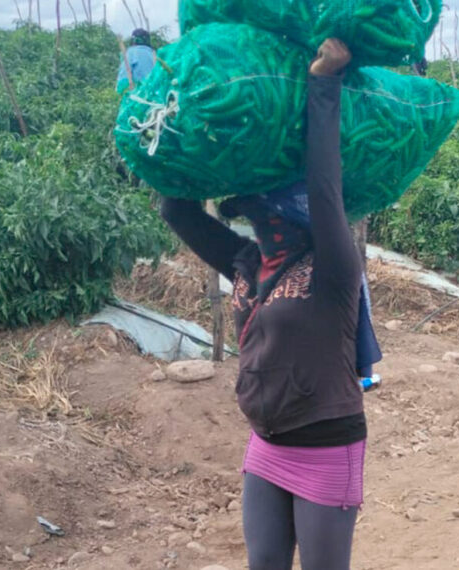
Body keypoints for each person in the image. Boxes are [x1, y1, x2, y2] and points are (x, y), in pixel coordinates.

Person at [159, 39, 381, 570]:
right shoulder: (244, 263)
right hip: (266, 444)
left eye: (272, 210)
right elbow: (176, 209)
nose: (262, 220)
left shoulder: (333, 268)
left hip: (327, 446)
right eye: (255, 212)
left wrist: (324, 84)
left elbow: (325, 189)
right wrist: (171, 129)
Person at [116, 28, 155, 94]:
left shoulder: (131, 53)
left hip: (137, 93)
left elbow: (124, 77)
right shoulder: (153, 54)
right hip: (154, 93)